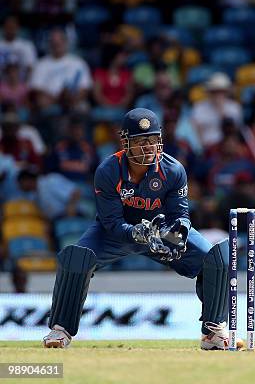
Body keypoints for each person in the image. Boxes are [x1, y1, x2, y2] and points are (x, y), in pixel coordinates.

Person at [42, 108, 240, 351]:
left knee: (216, 258)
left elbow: (181, 214)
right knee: (76, 259)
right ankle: (60, 330)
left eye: (152, 140)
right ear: (125, 143)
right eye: (140, 141)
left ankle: (214, 332)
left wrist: (179, 233)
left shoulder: (174, 170)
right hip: (115, 233)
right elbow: (111, 223)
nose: (148, 147)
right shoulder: (108, 170)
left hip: (161, 232)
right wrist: (137, 232)